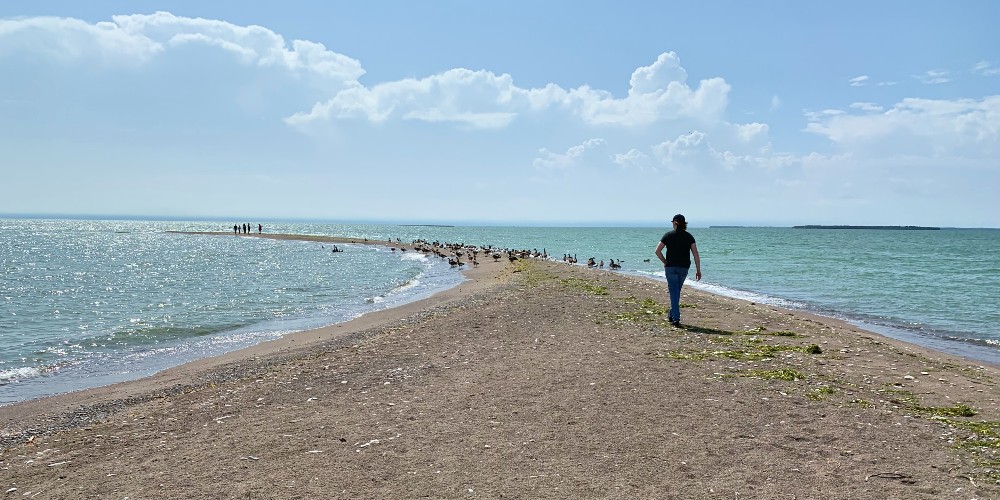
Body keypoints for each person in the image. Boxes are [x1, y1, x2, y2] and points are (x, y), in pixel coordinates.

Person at [654, 214, 702, 327]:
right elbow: (695, 254)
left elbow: (657, 251)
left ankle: (675, 318)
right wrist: (698, 270)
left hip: (671, 267)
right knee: (676, 292)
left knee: (674, 292)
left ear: (675, 222)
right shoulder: (689, 237)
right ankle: (672, 314)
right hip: (684, 268)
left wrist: (665, 262)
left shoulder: (668, 235)